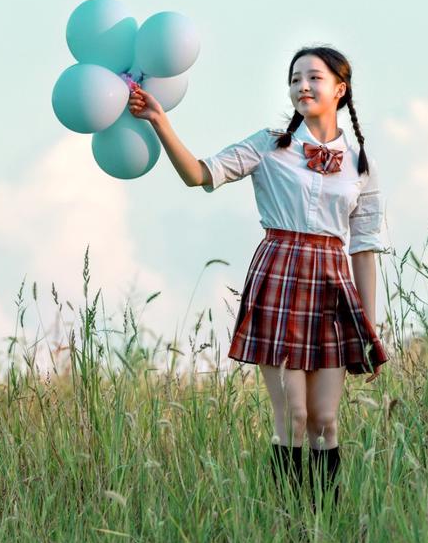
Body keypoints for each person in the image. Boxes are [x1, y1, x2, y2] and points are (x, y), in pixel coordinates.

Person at [128, 45, 391, 513]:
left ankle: (324, 526)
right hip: (281, 277)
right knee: (292, 416)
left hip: (333, 286)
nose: (303, 86)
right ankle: (290, 526)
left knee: (326, 422)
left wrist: (368, 327)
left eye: (313, 78)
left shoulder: (360, 166)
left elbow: (364, 250)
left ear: (340, 89)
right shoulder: (269, 144)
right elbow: (199, 175)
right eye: (295, 80)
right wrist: (159, 120)